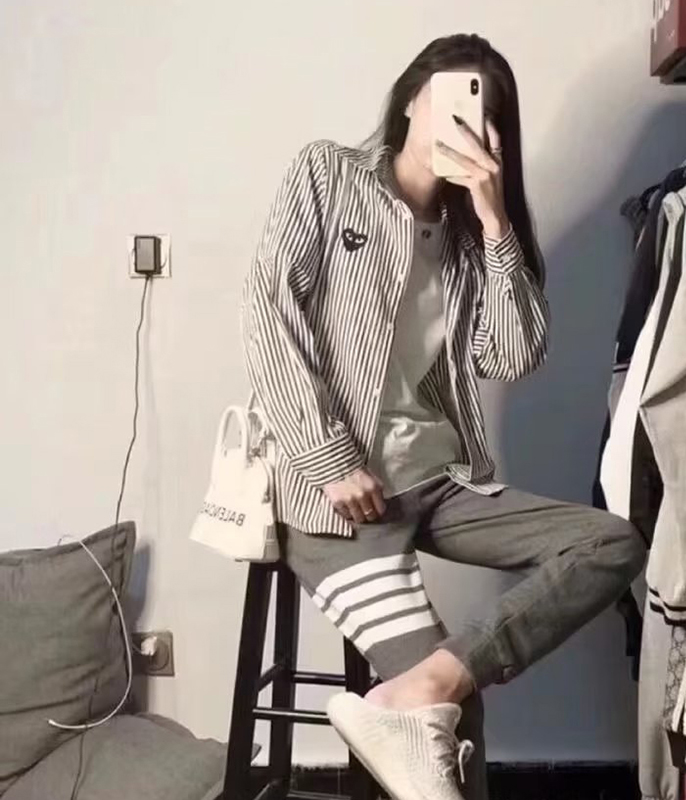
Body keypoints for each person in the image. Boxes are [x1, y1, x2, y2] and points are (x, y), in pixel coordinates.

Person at [240, 32, 646, 800]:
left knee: (610, 542)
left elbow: (512, 354)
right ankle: (430, 696)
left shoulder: (468, 236)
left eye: (483, 114)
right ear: (409, 102)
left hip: (440, 481)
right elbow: (268, 313)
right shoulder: (327, 175)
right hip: (341, 502)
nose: (465, 123)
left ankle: (425, 685)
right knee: (456, 723)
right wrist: (330, 461)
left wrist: (495, 223)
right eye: (451, 101)